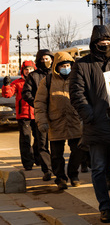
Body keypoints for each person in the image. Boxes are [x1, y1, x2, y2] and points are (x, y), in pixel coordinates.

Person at [69, 25, 110, 224]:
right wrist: (90, 115)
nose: (104, 44)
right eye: (100, 41)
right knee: (98, 168)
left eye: (108, 41)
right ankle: (104, 206)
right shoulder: (82, 65)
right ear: (93, 42)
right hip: (96, 124)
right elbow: (76, 94)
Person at [35, 52, 83, 190]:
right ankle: (60, 178)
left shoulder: (77, 79)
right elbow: (40, 103)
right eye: (63, 66)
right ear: (56, 66)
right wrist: (41, 121)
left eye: (68, 65)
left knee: (78, 151)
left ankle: (74, 175)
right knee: (56, 155)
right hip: (55, 122)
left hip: (75, 122)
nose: (66, 68)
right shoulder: (48, 81)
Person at [21, 48, 54, 180]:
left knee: (57, 144)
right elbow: (26, 93)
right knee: (42, 143)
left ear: (51, 59)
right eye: (42, 59)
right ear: (39, 61)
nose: (45, 61)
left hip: (58, 114)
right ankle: (47, 170)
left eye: (47, 58)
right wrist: (37, 103)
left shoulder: (56, 74)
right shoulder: (33, 76)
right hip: (41, 115)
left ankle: (58, 170)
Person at [2, 61, 39, 171]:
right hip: (23, 115)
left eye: (30, 69)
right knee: (25, 140)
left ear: (34, 69)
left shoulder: (39, 81)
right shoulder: (17, 82)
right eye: (26, 69)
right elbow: (7, 94)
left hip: (37, 113)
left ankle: (38, 158)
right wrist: (6, 85)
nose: (28, 71)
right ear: (22, 70)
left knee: (40, 138)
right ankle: (27, 163)